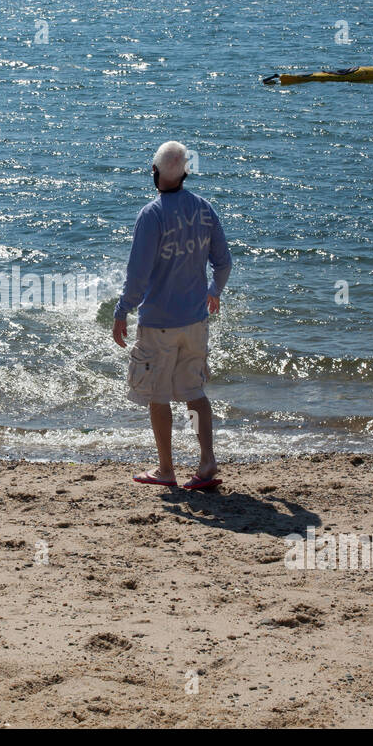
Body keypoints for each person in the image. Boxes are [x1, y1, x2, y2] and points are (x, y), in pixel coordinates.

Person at [112, 141, 232, 490]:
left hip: (160, 323)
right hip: (195, 320)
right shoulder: (204, 209)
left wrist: (122, 311)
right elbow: (223, 262)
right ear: (186, 172)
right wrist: (214, 291)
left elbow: (138, 276)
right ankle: (207, 461)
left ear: (155, 172)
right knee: (194, 392)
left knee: (158, 395)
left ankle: (166, 469)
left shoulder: (152, 214)